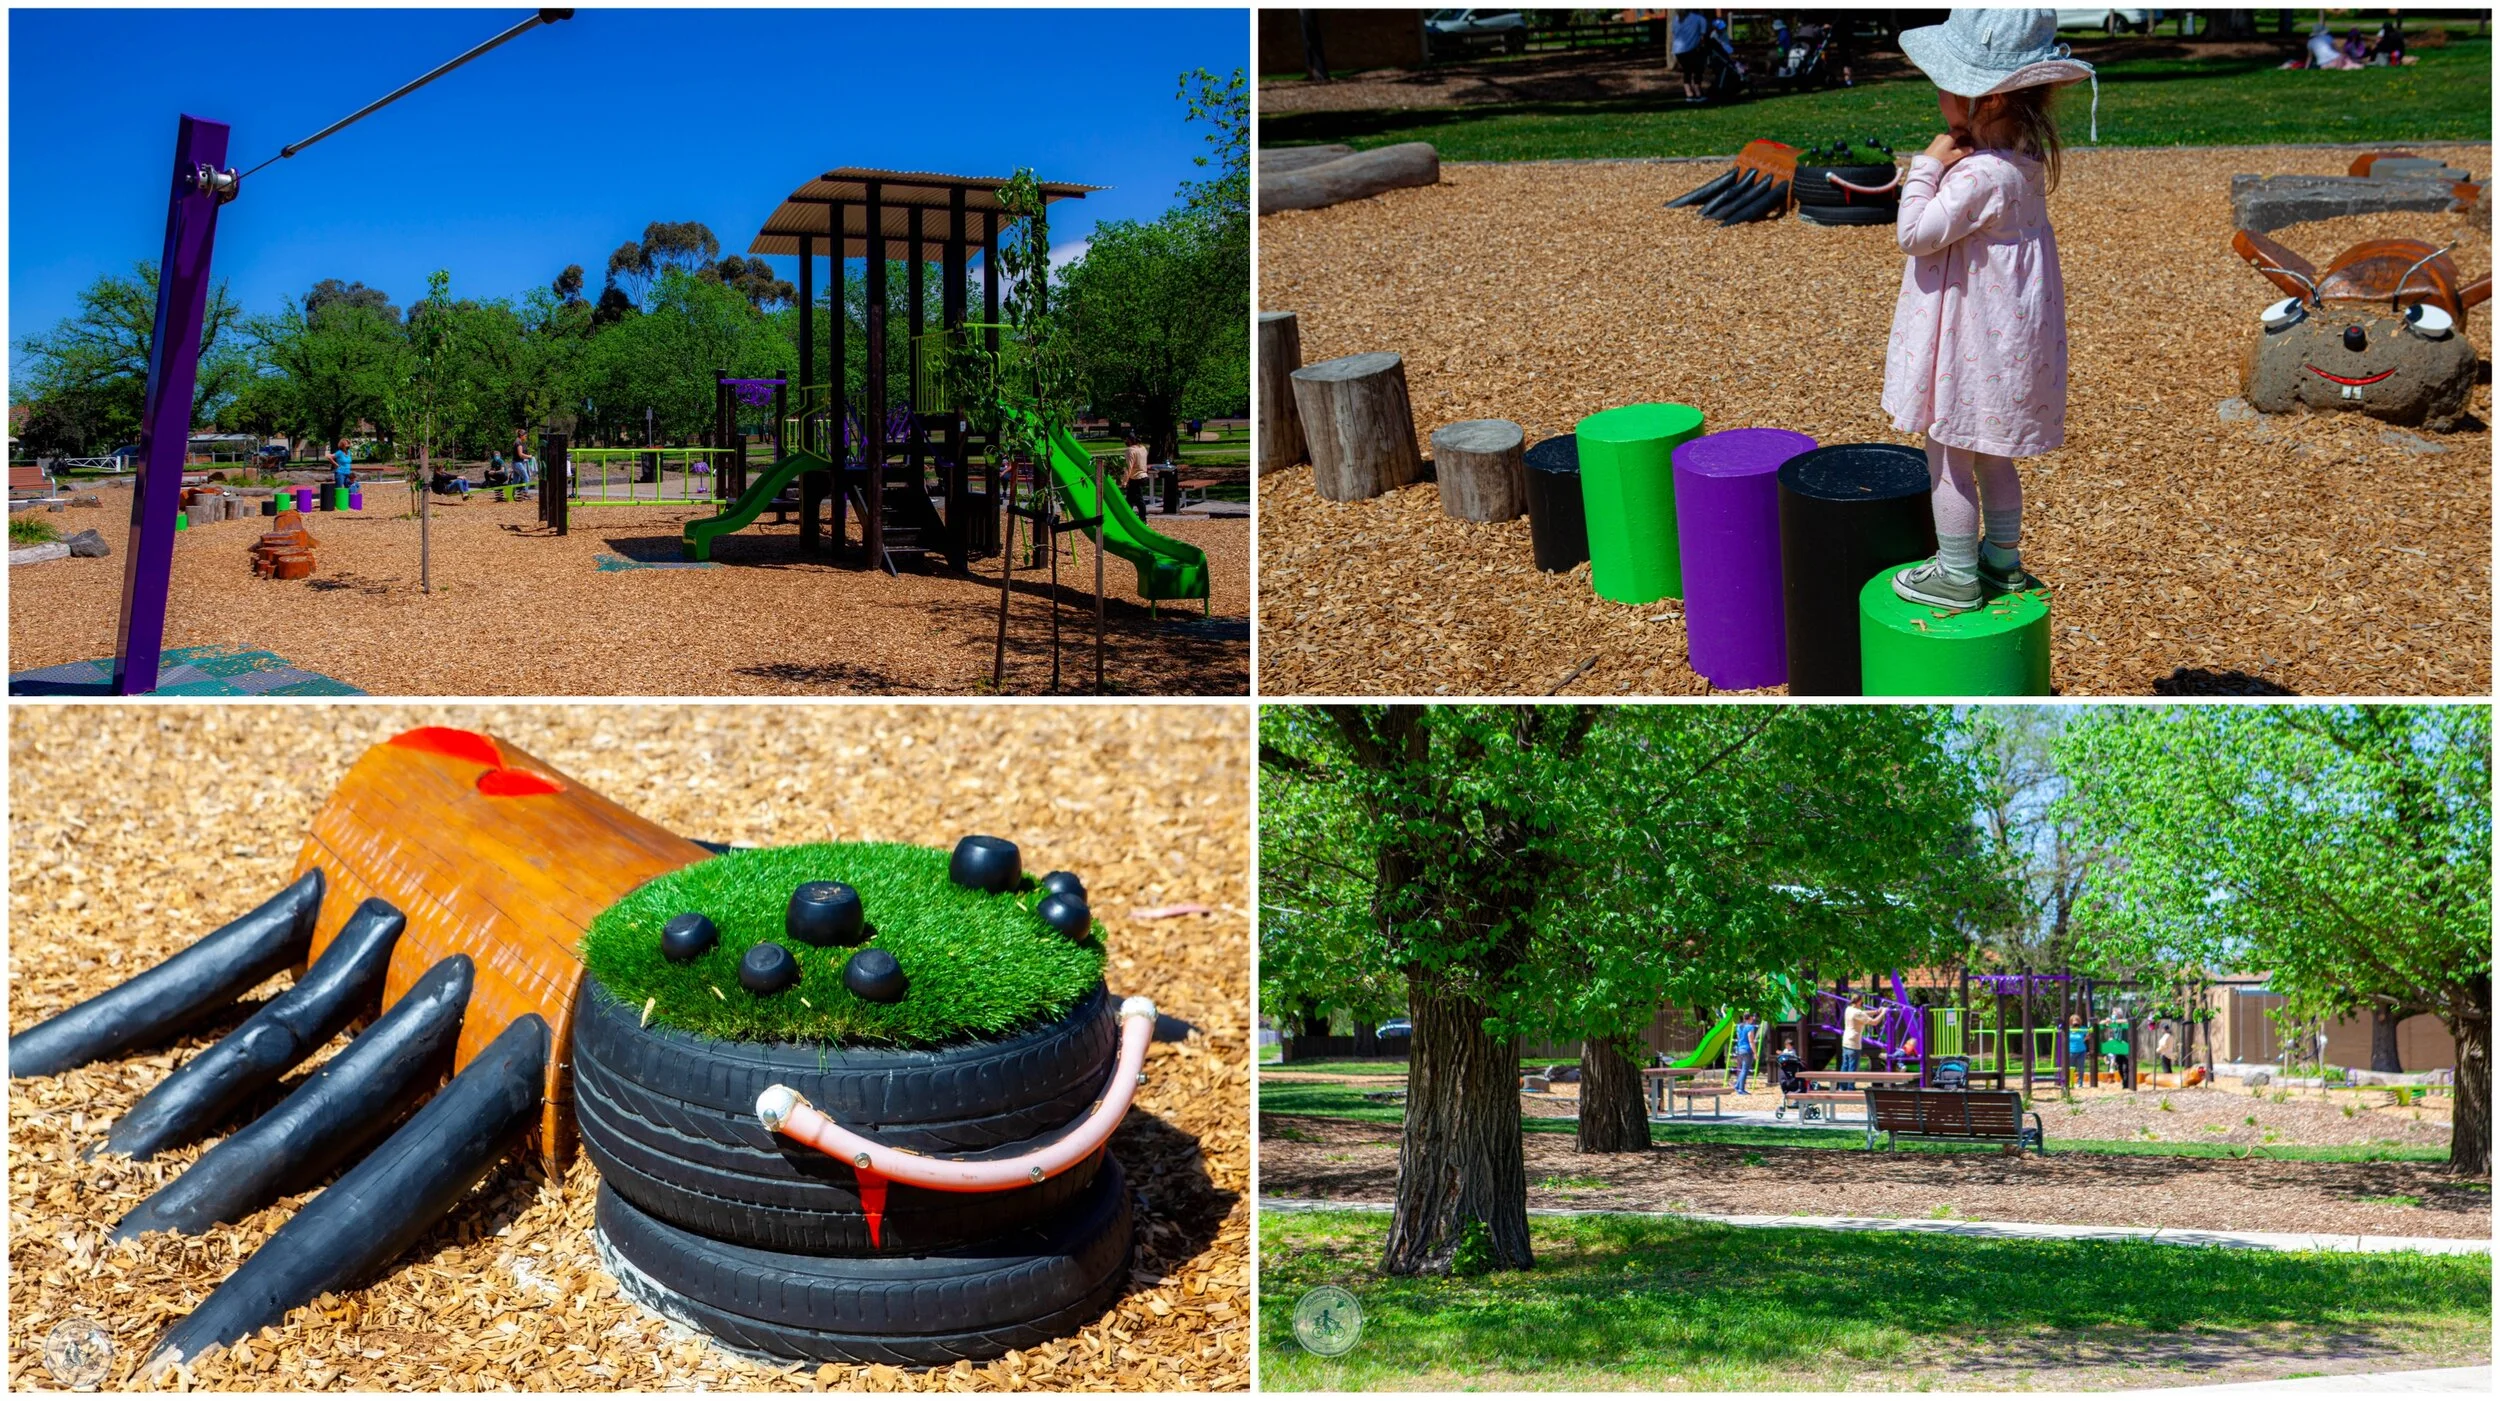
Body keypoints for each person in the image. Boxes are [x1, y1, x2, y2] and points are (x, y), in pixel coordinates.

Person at [1881, 9, 2092, 614]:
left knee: (1947, 449)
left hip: (1969, 346)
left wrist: (1926, 165)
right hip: (2004, 346)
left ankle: (1953, 575)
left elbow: (1915, 234)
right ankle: (2002, 561)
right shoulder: (2021, 166)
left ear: (1987, 100)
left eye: (1946, 83)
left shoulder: (1977, 177)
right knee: (1994, 450)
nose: (1938, 95)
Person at [1838, 994, 1878, 1091]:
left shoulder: (1849, 1009)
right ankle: (1850, 1088)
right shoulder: (1857, 1013)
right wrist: (1883, 1013)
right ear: (1859, 1001)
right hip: (1854, 1043)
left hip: (1846, 1041)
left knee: (1845, 1065)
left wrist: (1876, 1011)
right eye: (1862, 1001)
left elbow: (1863, 1013)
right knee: (1853, 1067)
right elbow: (1874, 1022)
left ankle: (1842, 1087)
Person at [1672, 8, 1708, 101]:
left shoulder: (1676, 19)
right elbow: (1703, 36)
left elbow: (1674, 33)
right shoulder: (1700, 19)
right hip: (1691, 48)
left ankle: (1689, 93)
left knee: (1687, 71)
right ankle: (1698, 92)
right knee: (1698, 70)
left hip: (1678, 50)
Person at [1730, 1011, 1760, 1095]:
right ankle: (1741, 1090)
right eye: (1752, 1017)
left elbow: (1739, 1038)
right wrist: (1755, 1053)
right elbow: (1751, 1041)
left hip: (1740, 1049)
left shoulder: (1739, 1026)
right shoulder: (1750, 1027)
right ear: (1750, 1018)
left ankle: (1737, 1086)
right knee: (1745, 1070)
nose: (1753, 1018)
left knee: (1743, 1070)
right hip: (1747, 1050)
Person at [2065, 1014, 2089, 1089]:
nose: (2075, 1023)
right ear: (2071, 1022)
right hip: (2071, 1051)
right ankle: (2070, 1082)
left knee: (2081, 1068)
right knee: (2071, 1067)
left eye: (2077, 1021)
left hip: (2081, 1051)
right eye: (2074, 1022)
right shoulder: (2068, 1029)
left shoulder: (2082, 1029)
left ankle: (2080, 1083)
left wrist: (2085, 1039)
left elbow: (2089, 1033)